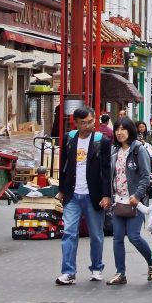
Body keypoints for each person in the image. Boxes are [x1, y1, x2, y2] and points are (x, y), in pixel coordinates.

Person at [54, 106, 108, 285]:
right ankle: (68, 272)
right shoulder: (69, 139)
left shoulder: (102, 140)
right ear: (75, 123)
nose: (88, 126)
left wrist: (106, 195)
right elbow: (63, 165)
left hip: (94, 195)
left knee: (96, 235)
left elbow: (107, 170)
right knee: (69, 233)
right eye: (83, 123)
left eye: (91, 122)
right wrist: (61, 190)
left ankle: (96, 267)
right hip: (72, 194)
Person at [103, 117, 152, 285]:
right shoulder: (114, 151)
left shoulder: (139, 150)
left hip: (135, 201)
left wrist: (138, 196)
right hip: (118, 201)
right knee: (117, 238)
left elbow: (146, 176)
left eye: (123, 129)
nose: (119, 132)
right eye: (117, 129)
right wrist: (110, 197)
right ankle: (120, 273)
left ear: (130, 130)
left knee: (134, 236)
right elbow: (112, 176)